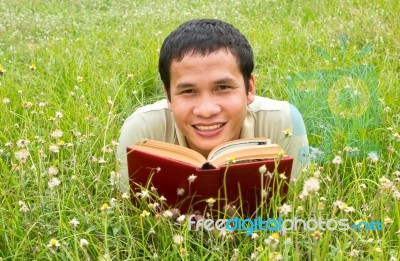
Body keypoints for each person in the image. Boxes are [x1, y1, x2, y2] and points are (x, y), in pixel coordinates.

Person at [116, 19, 308, 193]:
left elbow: (296, 204)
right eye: (188, 91)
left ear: (249, 88)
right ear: (168, 96)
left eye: (223, 87)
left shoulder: (285, 122)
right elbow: (129, 215)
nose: (206, 111)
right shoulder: (141, 130)